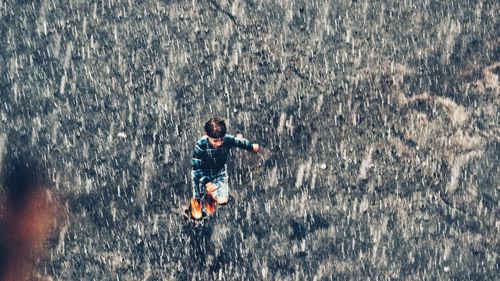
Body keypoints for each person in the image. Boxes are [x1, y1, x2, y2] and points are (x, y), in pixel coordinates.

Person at [190, 117, 259, 219]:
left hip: (219, 172)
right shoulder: (201, 145)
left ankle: (211, 198)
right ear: (206, 135)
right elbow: (196, 167)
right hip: (202, 172)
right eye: (215, 141)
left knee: (223, 200)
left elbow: (238, 141)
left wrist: (250, 147)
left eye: (221, 140)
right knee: (198, 202)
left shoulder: (227, 140)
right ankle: (196, 202)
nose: (219, 143)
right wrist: (207, 183)